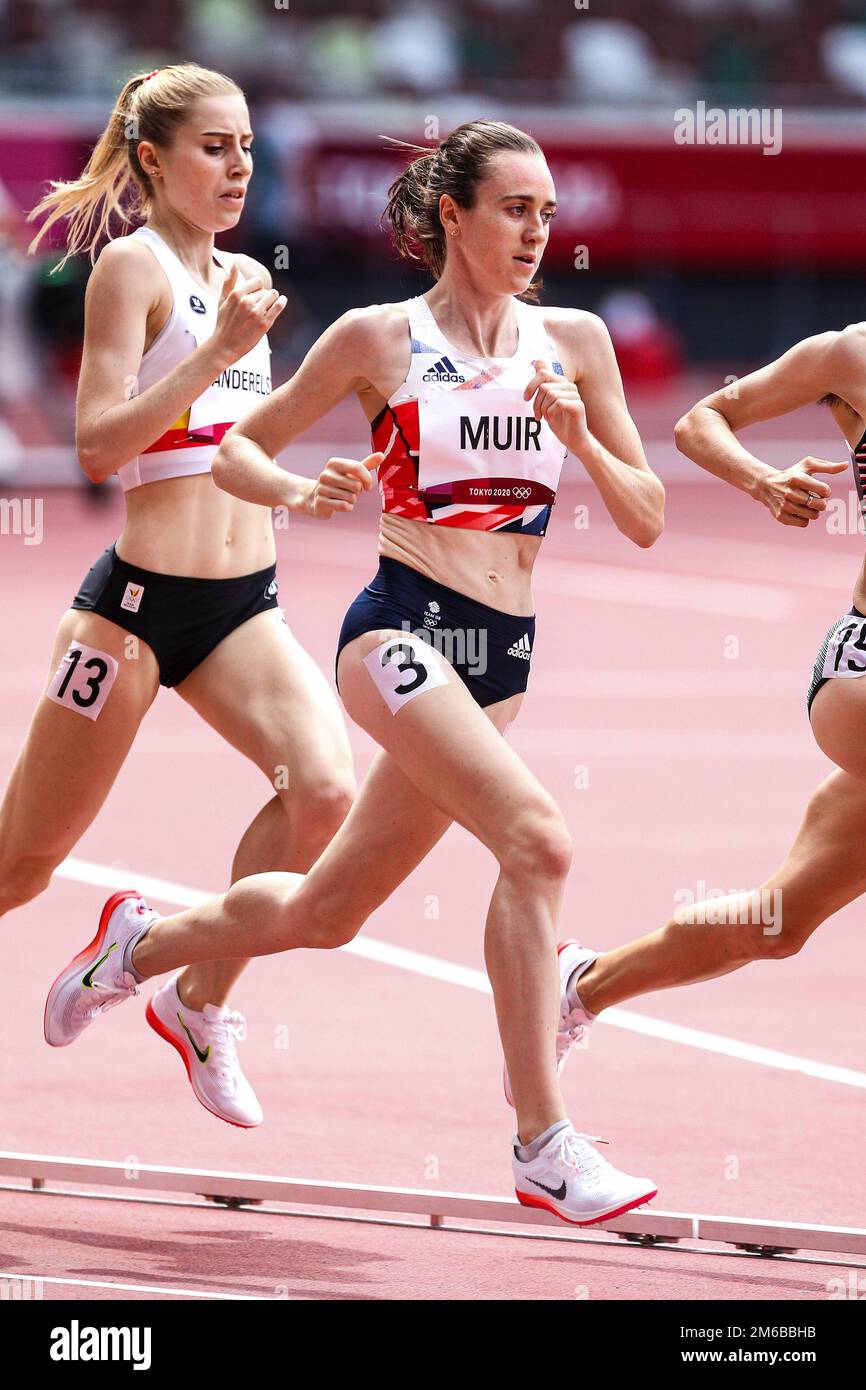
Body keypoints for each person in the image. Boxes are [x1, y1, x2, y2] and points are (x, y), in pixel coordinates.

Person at [45, 119, 665, 1226]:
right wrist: (297, 489)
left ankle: (146, 943)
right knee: (536, 839)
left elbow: (647, 519)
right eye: (514, 210)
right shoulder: (378, 337)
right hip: (398, 635)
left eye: (547, 215)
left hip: (500, 657)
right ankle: (542, 1140)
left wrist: (585, 436)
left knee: (330, 910)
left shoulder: (572, 340)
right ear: (451, 217)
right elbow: (242, 444)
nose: (536, 233)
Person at [3, 63, 376, 1128]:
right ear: (154, 160)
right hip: (129, 615)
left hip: (237, 608)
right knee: (21, 862)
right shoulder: (134, 265)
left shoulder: (251, 276)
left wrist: (307, 478)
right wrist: (217, 347)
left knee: (323, 794)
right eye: (214, 147)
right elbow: (95, 445)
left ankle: (194, 996)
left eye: (247, 147)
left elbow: (234, 447)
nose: (237, 167)